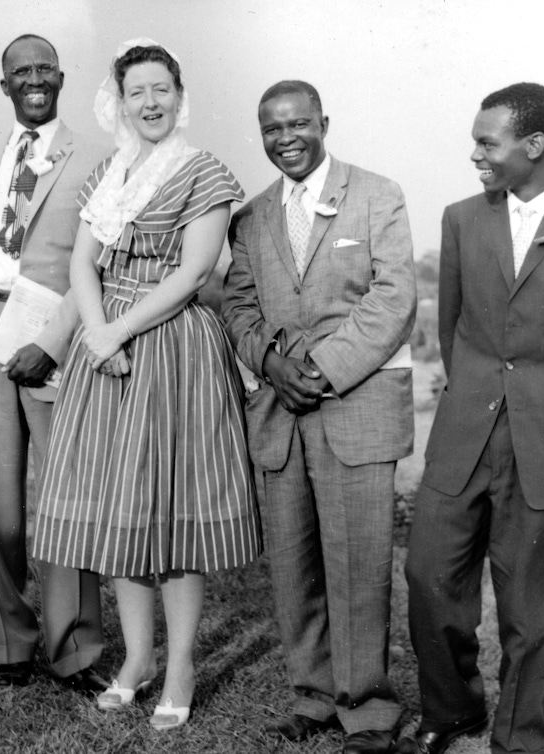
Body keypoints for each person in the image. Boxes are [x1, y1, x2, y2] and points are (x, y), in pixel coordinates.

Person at [398, 83, 544, 754]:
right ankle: (453, 712)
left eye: (487, 141)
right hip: (463, 432)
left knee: (529, 607)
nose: (474, 153)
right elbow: (452, 330)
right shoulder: (460, 219)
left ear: (533, 146)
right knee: (429, 576)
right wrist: (481, 394)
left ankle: (519, 736)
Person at [31, 39, 260, 731]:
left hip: (171, 347)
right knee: (116, 511)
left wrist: (116, 331)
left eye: (162, 89)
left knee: (171, 508)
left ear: (179, 95)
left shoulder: (203, 171)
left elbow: (192, 274)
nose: (151, 103)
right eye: (138, 92)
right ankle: (136, 659)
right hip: (106, 350)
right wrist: (96, 333)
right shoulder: (109, 169)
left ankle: (182, 663)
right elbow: (81, 262)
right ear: (120, 100)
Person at [221, 81, 416, 754]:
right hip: (281, 414)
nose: (286, 138)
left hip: (353, 408)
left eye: (299, 124)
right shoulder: (250, 219)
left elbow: (394, 299)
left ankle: (366, 711)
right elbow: (238, 309)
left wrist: (321, 370)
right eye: (272, 128)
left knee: (358, 564)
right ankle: (312, 697)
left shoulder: (377, 193)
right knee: (294, 564)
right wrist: (271, 363)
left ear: (323, 123)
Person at [0, 34, 109, 691]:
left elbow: (102, 264)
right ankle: (6, 646)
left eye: (45, 69)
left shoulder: (100, 160)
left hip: (56, 333)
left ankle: (74, 648)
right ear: (5, 85)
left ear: (63, 78)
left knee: (68, 492)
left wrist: (51, 339)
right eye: (22, 71)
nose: (35, 79)